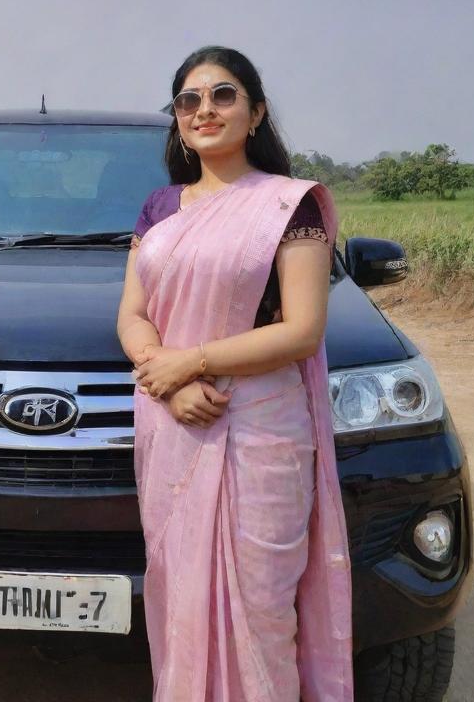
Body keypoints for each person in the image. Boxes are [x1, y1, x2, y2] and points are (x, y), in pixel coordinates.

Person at [116, 46, 353, 702]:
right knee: (178, 599)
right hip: (174, 424)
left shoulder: (289, 205)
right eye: (188, 101)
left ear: (257, 113)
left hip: (260, 434)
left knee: (260, 612)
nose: (204, 110)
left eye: (223, 95)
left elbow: (301, 331)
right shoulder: (160, 208)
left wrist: (191, 362)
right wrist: (167, 376)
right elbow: (133, 315)